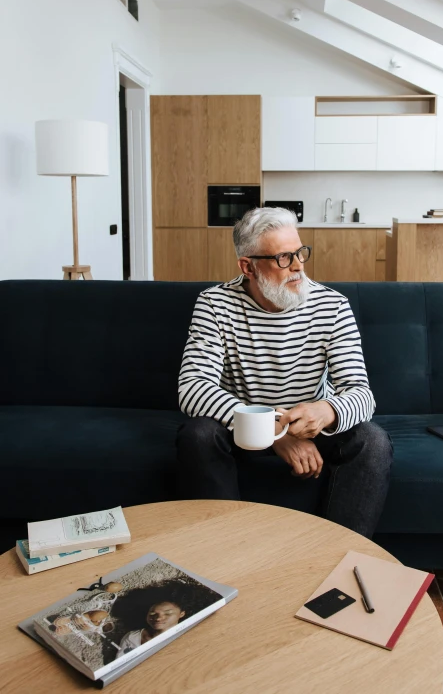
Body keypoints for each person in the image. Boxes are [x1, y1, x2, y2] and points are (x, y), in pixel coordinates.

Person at [176, 207, 393, 538]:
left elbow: (361, 394)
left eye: (300, 253)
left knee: (373, 440)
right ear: (247, 266)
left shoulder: (332, 305)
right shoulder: (214, 304)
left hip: (310, 427)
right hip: (241, 428)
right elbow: (193, 389)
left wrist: (328, 409)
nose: (298, 267)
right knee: (198, 434)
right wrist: (274, 432)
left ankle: (338, 556)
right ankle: (223, 548)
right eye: (283, 258)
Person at [112, 586, 186, 658]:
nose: (158, 618)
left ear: (181, 614)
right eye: (152, 613)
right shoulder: (132, 638)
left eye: (167, 613)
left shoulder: (187, 637)